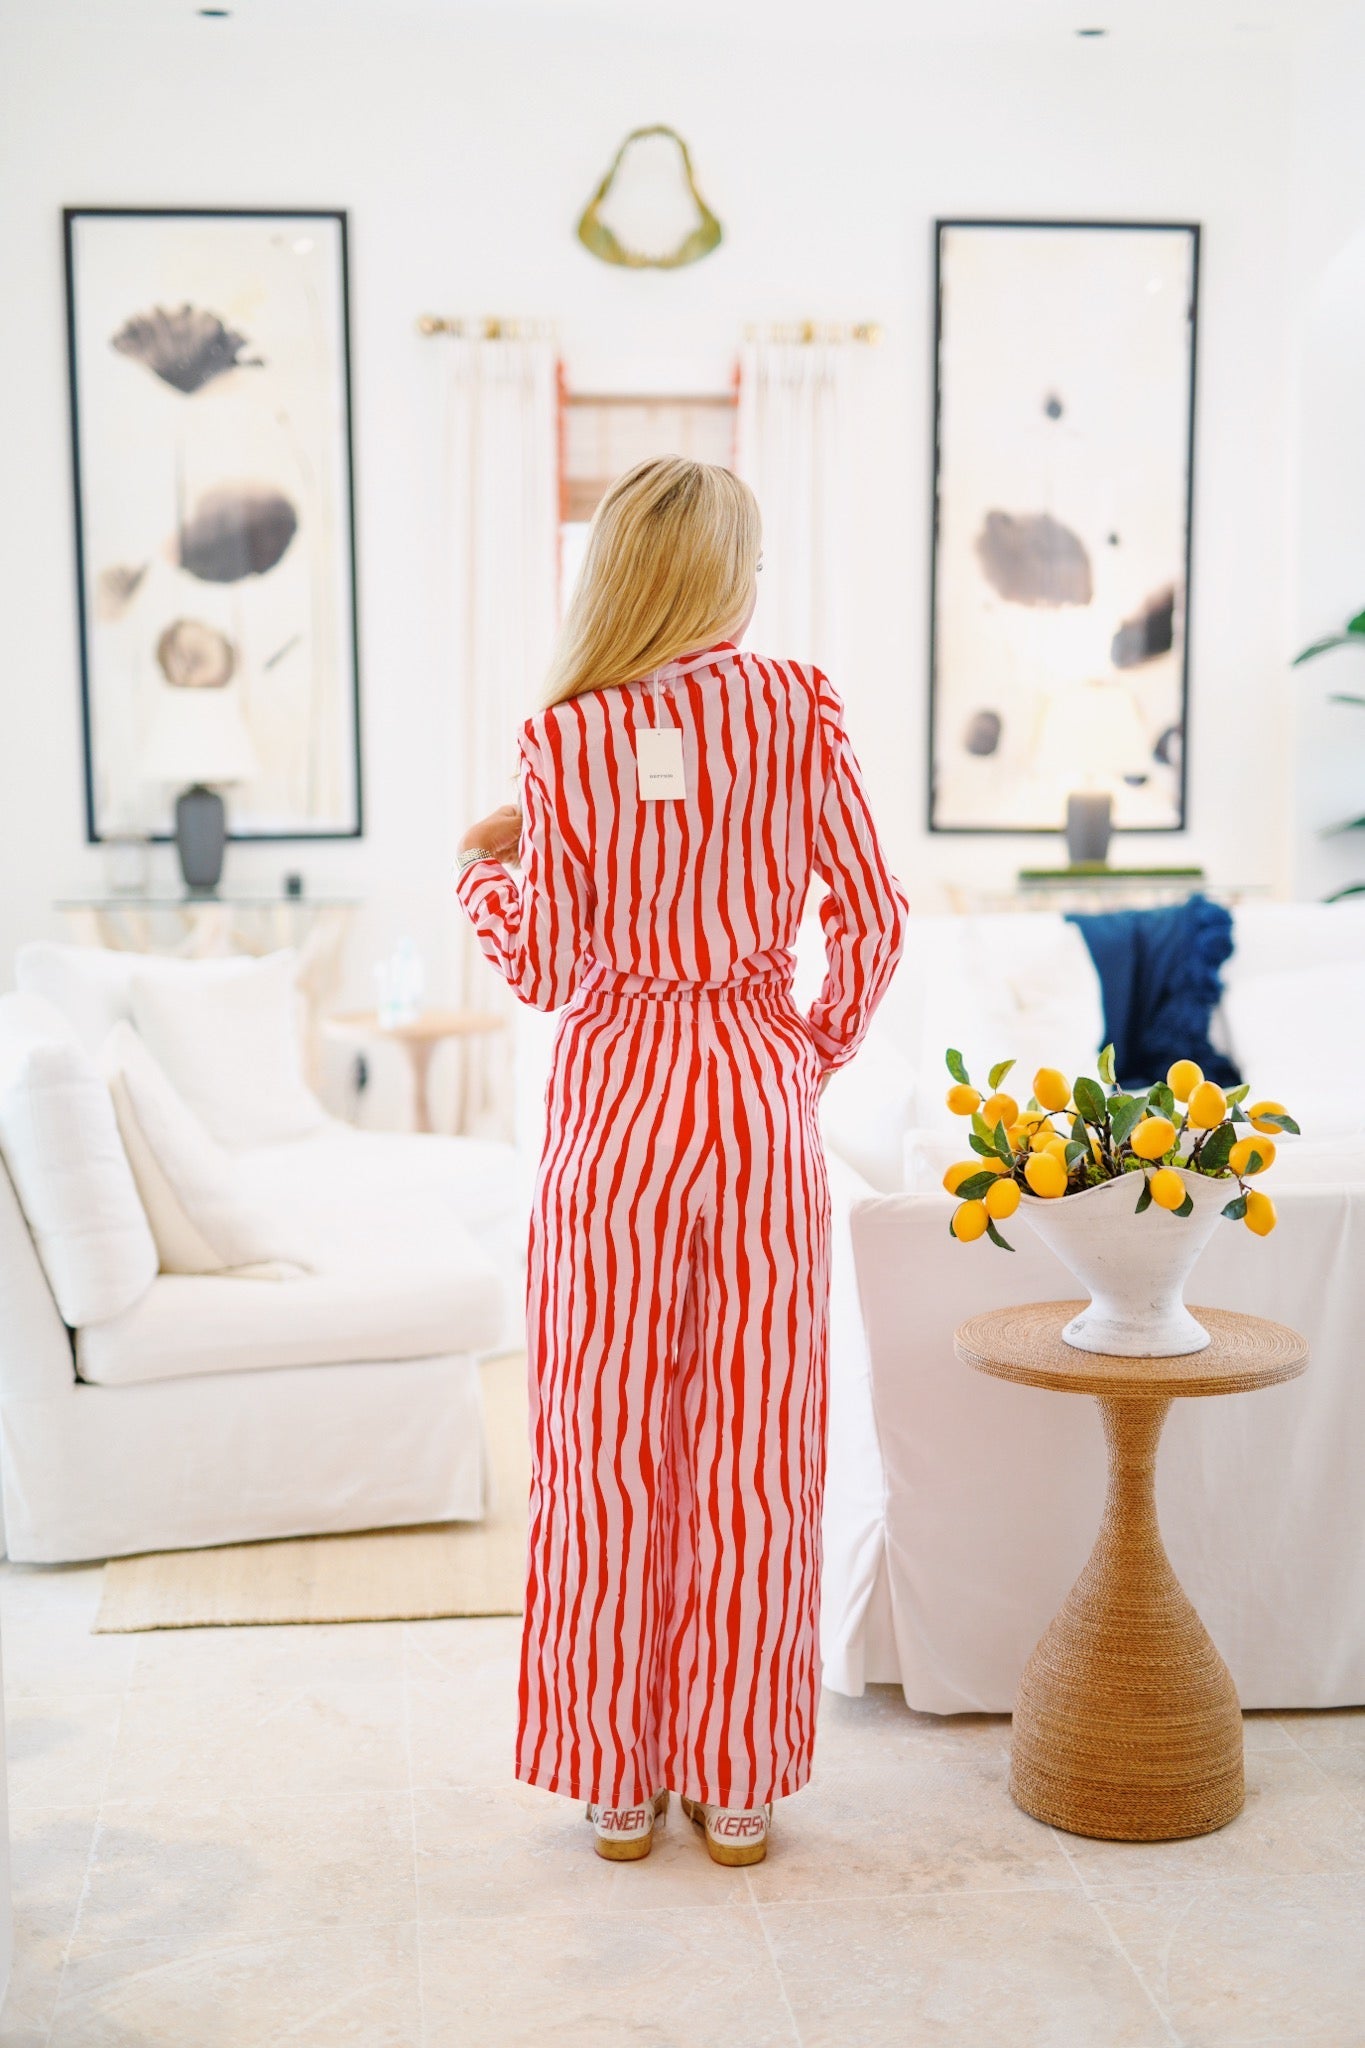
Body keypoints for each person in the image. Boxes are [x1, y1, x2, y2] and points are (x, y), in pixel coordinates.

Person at [455, 457, 907, 1867]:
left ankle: (612, 1776)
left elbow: (537, 966)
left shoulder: (565, 738)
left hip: (612, 1115)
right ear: (723, 576)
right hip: (756, 1099)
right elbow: (876, 922)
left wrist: (480, 870)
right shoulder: (796, 710)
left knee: (600, 1441)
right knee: (758, 1448)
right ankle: (735, 1780)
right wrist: (797, 1053)